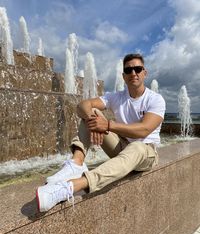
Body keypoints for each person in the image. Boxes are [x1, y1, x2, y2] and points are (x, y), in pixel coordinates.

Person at [36, 53, 166, 212]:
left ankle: (70, 187)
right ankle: (76, 164)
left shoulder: (155, 99)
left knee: (137, 147)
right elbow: (82, 105)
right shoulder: (116, 96)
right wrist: (93, 120)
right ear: (123, 76)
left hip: (146, 152)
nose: (134, 73)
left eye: (138, 69)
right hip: (122, 147)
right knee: (92, 113)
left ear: (145, 73)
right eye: (129, 70)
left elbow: (144, 129)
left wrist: (108, 125)